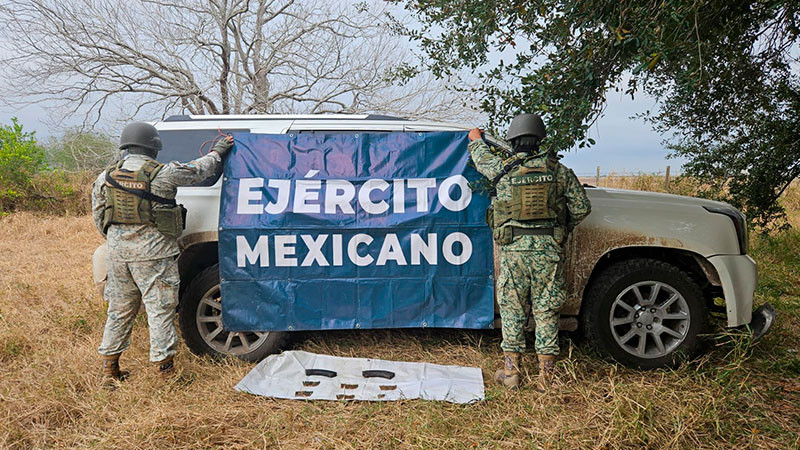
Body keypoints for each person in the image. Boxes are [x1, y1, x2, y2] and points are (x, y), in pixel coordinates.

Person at [91, 122, 233, 385]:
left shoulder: (105, 177)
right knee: (160, 311)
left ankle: (110, 370)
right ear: (153, 147)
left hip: (118, 256)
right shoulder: (163, 173)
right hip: (154, 256)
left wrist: (120, 241)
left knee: (119, 311)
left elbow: (100, 219)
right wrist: (218, 152)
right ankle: (165, 372)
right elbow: (199, 170)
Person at [467, 114, 591, 391]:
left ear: (512, 140)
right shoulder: (559, 171)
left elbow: (482, 159)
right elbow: (582, 208)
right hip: (549, 251)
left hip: (514, 251)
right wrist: (561, 228)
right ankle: (547, 377)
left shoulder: (503, 170)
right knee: (547, 310)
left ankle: (511, 373)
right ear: (539, 140)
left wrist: (475, 139)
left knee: (512, 310)